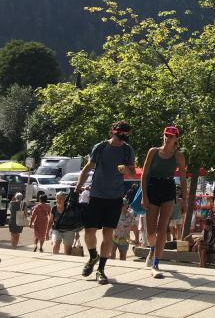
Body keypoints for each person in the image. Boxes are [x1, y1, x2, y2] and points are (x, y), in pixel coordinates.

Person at [76, 119, 136, 285]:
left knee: (108, 234)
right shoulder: (101, 147)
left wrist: (127, 170)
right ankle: (92, 255)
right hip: (96, 194)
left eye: (126, 134)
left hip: (115, 197)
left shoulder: (127, 150)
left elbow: (132, 174)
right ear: (112, 131)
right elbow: (88, 167)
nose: (123, 136)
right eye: (120, 132)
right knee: (89, 231)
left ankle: (101, 270)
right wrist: (78, 185)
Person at [141, 125, 187, 278]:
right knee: (151, 231)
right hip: (153, 187)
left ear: (176, 139)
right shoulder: (153, 151)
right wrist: (144, 196)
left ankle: (155, 264)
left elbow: (182, 179)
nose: (167, 138)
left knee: (163, 229)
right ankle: (152, 248)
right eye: (165, 135)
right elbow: (144, 174)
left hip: (168, 188)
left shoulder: (179, 155)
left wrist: (184, 200)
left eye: (171, 136)